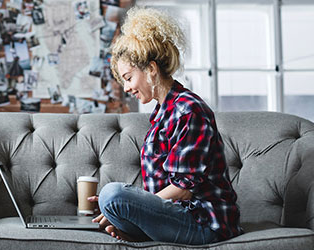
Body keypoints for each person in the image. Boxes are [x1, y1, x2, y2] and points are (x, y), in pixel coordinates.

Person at [88, 7, 243, 245]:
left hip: (205, 223)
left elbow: (183, 190)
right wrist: (131, 207)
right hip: (178, 216)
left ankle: (133, 225)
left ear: (151, 69)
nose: (126, 88)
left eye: (128, 77)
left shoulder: (188, 110)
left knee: (112, 194)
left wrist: (131, 202)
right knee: (111, 203)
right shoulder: (163, 113)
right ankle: (131, 226)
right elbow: (163, 192)